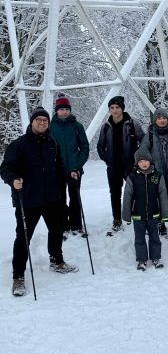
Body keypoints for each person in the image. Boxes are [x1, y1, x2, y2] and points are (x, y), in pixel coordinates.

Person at [1, 107, 79, 297]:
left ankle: (56, 260)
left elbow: (58, 166)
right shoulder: (19, 145)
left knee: (57, 229)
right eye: (39, 120)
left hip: (51, 197)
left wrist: (69, 174)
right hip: (28, 199)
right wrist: (13, 179)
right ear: (32, 122)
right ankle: (18, 276)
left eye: (45, 120)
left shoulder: (52, 143)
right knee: (23, 237)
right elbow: (6, 168)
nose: (42, 123)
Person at [97, 95, 144, 233]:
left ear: (122, 108)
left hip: (131, 165)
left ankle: (139, 218)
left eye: (117, 107)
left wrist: (139, 159)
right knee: (115, 193)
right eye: (112, 108)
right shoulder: (106, 126)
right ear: (109, 110)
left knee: (136, 192)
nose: (115, 110)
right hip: (113, 166)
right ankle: (117, 220)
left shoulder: (132, 123)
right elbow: (100, 146)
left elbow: (143, 141)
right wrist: (107, 159)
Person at [49, 93, 89, 237]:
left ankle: (77, 225)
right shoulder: (50, 126)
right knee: (60, 199)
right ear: (57, 110)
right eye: (61, 109)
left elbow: (84, 147)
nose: (64, 111)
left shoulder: (77, 126)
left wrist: (77, 165)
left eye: (66, 109)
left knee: (75, 197)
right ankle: (63, 226)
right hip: (57, 170)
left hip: (74, 168)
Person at [122, 149, 168, 271]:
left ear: (150, 161)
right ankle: (142, 260)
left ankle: (155, 258)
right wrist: (126, 216)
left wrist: (164, 214)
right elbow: (127, 196)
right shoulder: (132, 177)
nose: (144, 163)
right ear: (137, 163)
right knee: (139, 239)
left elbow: (163, 195)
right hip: (138, 215)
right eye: (141, 161)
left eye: (146, 160)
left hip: (154, 214)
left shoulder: (157, 176)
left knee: (155, 237)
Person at [140, 108, 168, 237]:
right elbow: (143, 152)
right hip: (156, 172)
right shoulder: (150, 135)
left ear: (167, 119)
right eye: (159, 118)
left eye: (164, 118)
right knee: (158, 199)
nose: (162, 120)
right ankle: (160, 223)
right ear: (155, 120)